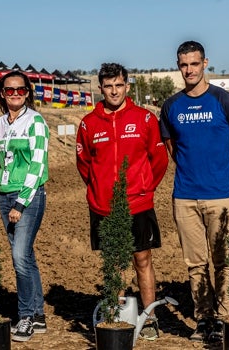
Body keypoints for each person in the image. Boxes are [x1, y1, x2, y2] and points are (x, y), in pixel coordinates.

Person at [159, 41, 229, 342]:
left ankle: (223, 318)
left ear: (205, 63)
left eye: (194, 64)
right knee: (195, 263)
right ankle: (203, 319)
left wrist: (227, 172)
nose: (189, 70)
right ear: (178, 66)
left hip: (221, 195)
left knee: (225, 260)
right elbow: (173, 148)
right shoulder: (171, 106)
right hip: (185, 197)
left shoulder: (225, 101)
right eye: (184, 65)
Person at [76, 63, 169, 340]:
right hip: (104, 206)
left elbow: (159, 159)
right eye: (108, 86)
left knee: (142, 259)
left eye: (119, 85)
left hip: (137, 204)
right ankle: (115, 317)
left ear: (127, 87)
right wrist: (99, 189)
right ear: (100, 88)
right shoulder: (88, 123)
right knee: (113, 262)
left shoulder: (145, 119)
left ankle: (150, 317)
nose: (114, 91)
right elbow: (84, 164)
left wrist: (144, 188)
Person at [0, 71, 49, 342]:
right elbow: (1, 162)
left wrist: (21, 201)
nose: (15, 94)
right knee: (25, 256)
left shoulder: (36, 121)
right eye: (9, 90)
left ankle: (25, 316)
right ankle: (38, 314)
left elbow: (37, 165)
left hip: (27, 196)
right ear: (2, 94)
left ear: (27, 92)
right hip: (3, 195)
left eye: (20, 90)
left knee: (19, 257)